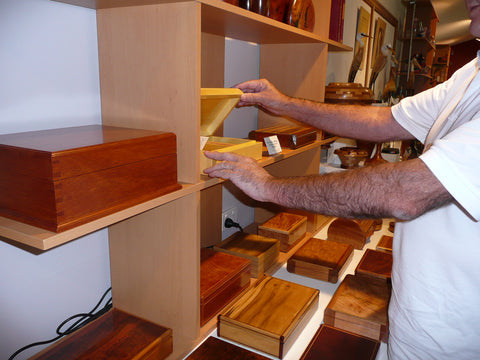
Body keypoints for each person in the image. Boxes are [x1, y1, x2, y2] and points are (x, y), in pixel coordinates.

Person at [204, 1, 480, 358]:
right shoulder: (471, 72)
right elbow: (385, 121)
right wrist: (286, 104)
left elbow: (404, 193)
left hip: (456, 333)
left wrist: (269, 187)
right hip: (418, 312)